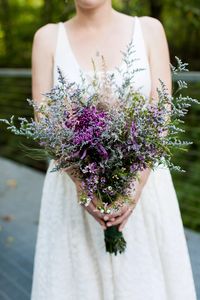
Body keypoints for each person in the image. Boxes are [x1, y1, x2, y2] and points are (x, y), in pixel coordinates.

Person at [30, 1, 197, 299]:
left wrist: (134, 189)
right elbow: (45, 124)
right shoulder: (47, 38)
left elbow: (162, 114)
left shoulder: (149, 30)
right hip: (72, 195)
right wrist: (84, 188)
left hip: (145, 193)